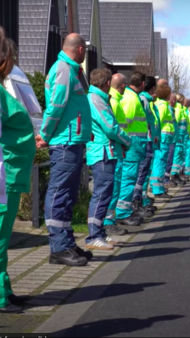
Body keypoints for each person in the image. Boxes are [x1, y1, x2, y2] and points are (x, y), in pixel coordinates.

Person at [37, 33, 93, 267]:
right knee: (59, 193)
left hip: (72, 141)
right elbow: (56, 106)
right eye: (85, 51)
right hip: (64, 142)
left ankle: (66, 243)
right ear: (80, 50)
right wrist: (45, 134)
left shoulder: (70, 70)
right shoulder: (63, 69)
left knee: (67, 196)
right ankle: (59, 248)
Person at [0, 28, 37, 312]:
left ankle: (5, 288)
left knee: (3, 238)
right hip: (5, 175)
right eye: (10, 56)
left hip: (11, 174)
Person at [85, 68, 132, 250]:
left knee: (105, 195)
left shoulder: (99, 98)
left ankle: (100, 233)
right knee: (101, 195)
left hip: (106, 152)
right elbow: (110, 127)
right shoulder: (96, 100)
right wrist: (127, 141)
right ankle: (93, 236)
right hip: (102, 153)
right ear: (106, 84)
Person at [104, 73, 140, 230]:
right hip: (115, 148)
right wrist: (126, 142)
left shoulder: (114, 100)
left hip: (118, 148)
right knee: (114, 184)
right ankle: (108, 221)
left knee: (117, 183)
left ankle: (112, 219)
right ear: (123, 86)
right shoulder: (113, 101)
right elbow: (114, 129)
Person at [117, 72, 151, 225]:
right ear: (142, 83)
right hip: (132, 143)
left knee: (129, 177)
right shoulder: (131, 99)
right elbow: (125, 123)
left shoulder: (131, 96)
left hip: (132, 143)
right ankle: (123, 212)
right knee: (128, 178)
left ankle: (125, 209)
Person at [134, 76, 159, 214]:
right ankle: (137, 200)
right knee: (141, 172)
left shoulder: (147, 100)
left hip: (148, 139)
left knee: (145, 172)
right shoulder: (143, 100)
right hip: (144, 139)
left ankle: (141, 198)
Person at [150, 82, 175, 200]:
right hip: (163, 139)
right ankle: (158, 189)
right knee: (160, 163)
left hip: (163, 138)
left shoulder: (160, 104)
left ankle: (157, 187)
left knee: (159, 162)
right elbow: (157, 122)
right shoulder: (163, 106)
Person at [165, 93, 179, 187]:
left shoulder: (172, 110)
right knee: (167, 160)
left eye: (175, 100)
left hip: (172, 138)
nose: (174, 101)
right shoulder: (166, 109)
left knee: (169, 160)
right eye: (172, 99)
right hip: (167, 138)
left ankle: (166, 179)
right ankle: (165, 180)